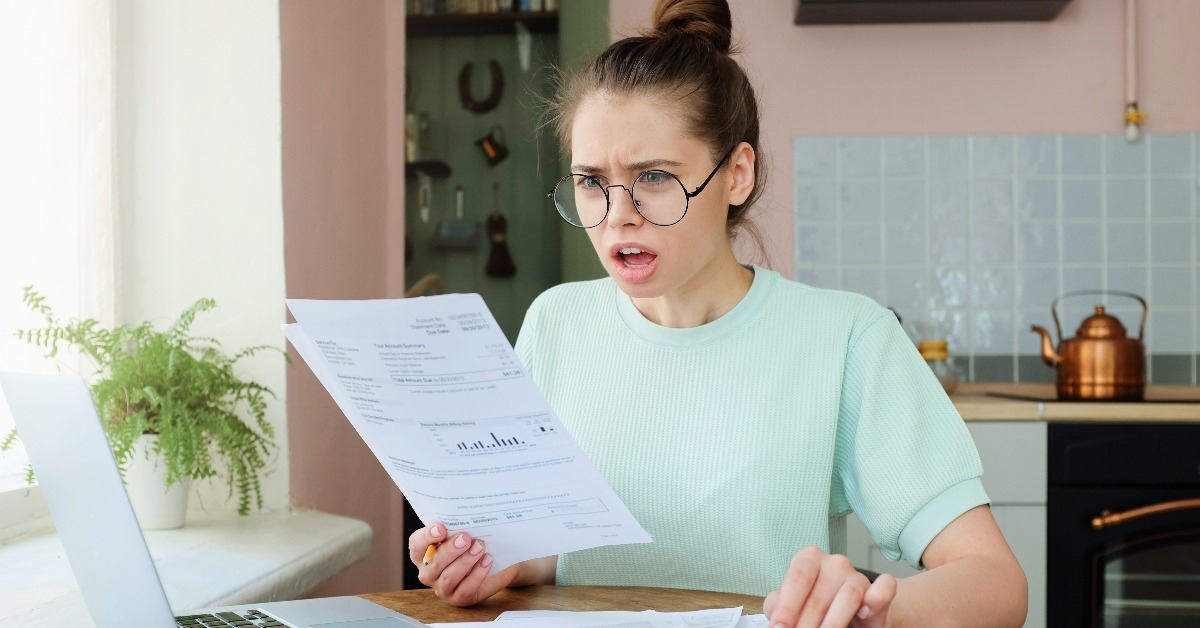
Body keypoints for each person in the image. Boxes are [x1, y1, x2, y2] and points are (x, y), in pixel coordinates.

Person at [408, 0, 1028, 625]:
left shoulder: (845, 339)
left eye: (652, 176)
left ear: (735, 174)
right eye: (591, 180)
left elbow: (997, 585)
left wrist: (871, 613)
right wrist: (501, 560)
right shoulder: (554, 323)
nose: (617, 213)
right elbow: (558, 551)